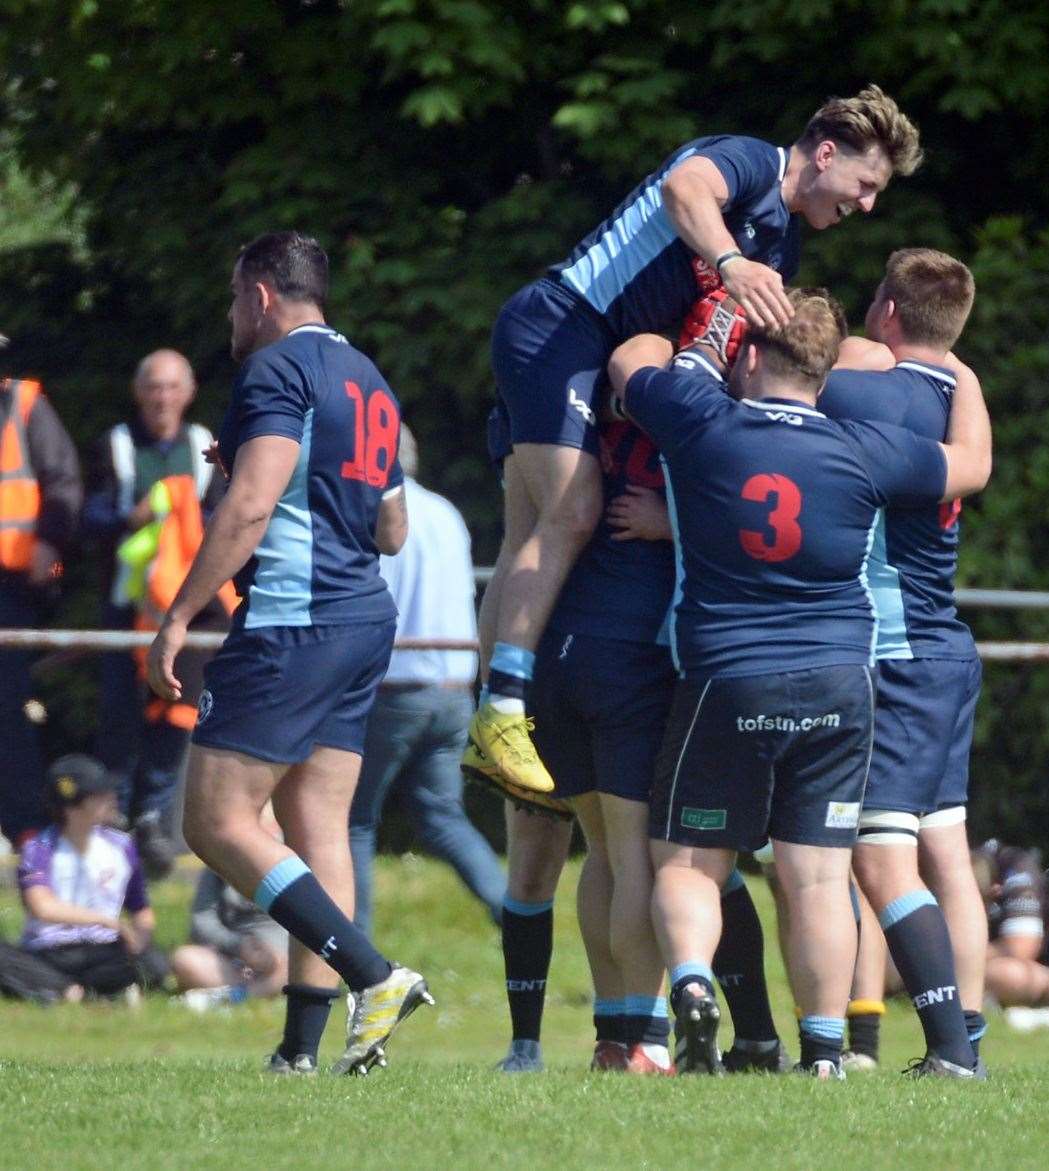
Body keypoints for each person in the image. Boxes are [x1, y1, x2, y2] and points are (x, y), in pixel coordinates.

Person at [469, 87, 924, 803]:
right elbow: (683, 188)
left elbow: (753, 341)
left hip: (601, 353)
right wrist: (728, 259)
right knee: (572, 513)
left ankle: (493, 709)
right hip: (560, 326)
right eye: (866, 185)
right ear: (826, 153)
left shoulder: (781, 238)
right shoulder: (747, 162)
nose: (867, 204)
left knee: (529, 529)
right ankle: (498, 711)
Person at [608, 286, 989, 1077]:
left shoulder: (702, 418)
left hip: (726, 676)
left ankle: (690, 986)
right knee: (816, 872)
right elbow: (971, 466)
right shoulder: (863, 447)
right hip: (838, 686)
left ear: (750, 357)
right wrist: (965, 376)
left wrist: (710, 327)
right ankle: (823, 1048)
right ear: (823, 375)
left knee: (687, 862)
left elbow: (629, 362)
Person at [148, 231, 430, 1077]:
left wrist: (178, 616)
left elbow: (250, 508)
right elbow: (391, 527)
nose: (233, 316)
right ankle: (302, 1051)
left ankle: (372, 976)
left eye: (237, 298)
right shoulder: (367, 377)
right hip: (359, 618)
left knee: (216, 821)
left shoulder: (275, 370)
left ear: (262, 296)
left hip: (290, 624)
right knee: (318, 830)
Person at [797, 246, 989, 1073]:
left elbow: (783, 368)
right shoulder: (958, 390)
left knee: (876, 855)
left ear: (884, 312)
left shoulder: (860, 390)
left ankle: (947, 1050)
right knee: (945, 850)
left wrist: (845, 348)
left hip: (894, 652)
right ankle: (964, 1037)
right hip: (945, 646)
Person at [491, 364, 680, 1077]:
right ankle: (644, 1037)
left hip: (553, 648)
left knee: (600, 851)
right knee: (635, 854)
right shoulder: (686, 409)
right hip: (628, 649)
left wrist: (497, 682)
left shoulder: (553, 412)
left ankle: (611, 1034)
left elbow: (518, 548)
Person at [348, 425, 505, 934]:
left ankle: (356, 950)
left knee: (352, 821)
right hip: (454, 690)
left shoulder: (379, 517)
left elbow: (370, 605)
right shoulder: (446, 513)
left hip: (397, 689)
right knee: (443, 817)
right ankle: (516, 917)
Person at [81, 348, 220, 869]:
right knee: (121, 710)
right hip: (127, 607)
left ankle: (154, 818)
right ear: (140, 393)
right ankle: (111, 814)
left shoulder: (204, 445)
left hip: (189, 611)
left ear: (188, 393)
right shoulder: (115, 446)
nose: (162, 398)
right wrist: (130, 517)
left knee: (177, 711)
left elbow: (224, 514)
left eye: (172, 387)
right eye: (153, 387)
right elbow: (87, 517)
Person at [0, 336, 82, 849]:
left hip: (8, 585)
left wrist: (49, 542)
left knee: (7, 706)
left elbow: (64, 483)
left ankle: (23, 825)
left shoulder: (24, 404)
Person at [14, 755, 168, 1001]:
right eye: (99, 795)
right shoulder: (39, 848)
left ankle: (65, 989)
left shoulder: (122, 846)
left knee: (154, 964)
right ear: (72, 806)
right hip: (50, 950)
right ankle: (73, 989)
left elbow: (139, 906)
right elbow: (41, 906)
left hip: (103, 949)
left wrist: (141, 938)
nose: (112, 799)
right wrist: (107, 921)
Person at [171, 804, 290, 1008]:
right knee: (184, 960)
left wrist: (273, 954)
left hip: (283, 957)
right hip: (234, 957)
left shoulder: (292, 861)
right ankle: (257, 992)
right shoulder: (220, 860)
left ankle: (232, 997)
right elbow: (201, 920)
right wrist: (238, 945)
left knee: (309, 965)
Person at [977, 841, 1049, 1014]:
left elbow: (1019, 947)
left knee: (1012, 975)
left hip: (1035, 971)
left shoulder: (1012, 866)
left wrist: (953, 958)